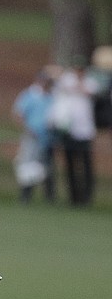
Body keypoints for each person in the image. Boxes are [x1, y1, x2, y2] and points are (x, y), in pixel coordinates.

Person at [49, 57, 99, 206]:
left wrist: (78, 83)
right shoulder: (66, 79)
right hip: (69, 129)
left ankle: (86, 196)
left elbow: (90, 92)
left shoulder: (90, 81)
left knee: (85, 164)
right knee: (70, 163)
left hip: (85, 130)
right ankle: (73, 196)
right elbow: (57, 84)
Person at [12, 69, 56, 203]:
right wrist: (28, 129)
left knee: (46, 167)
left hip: (47, 137)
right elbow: (19, 114)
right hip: (31, 136)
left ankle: (50, 196)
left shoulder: (50, 96)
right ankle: (26, 195)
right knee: (28, 165)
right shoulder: (29, 95)